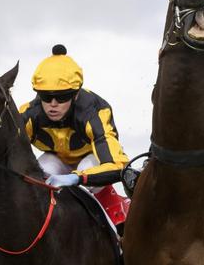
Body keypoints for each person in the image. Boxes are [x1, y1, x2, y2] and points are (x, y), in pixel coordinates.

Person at [20, 45, 130, 190]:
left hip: (91, 159)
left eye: (62, 97)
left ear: (75, 94)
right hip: (56, 160)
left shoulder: (95, 113)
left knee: (85, 180)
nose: (53, 104)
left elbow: (118, 165)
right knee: (39, 177)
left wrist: (78, 177)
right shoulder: (28, 114)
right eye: (46, 96)